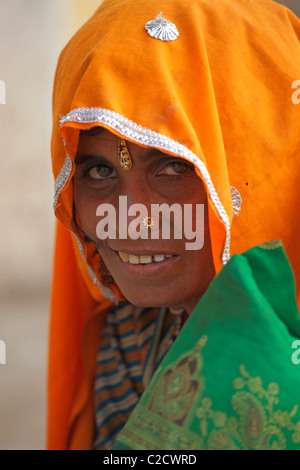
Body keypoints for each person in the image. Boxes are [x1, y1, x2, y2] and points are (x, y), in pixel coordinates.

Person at [48, 0, 300, 450]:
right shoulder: (132, 334)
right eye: (99, 171)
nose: (131, 218)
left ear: (268, 159)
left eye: (174, 166)